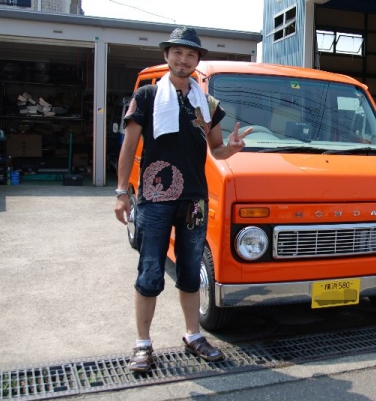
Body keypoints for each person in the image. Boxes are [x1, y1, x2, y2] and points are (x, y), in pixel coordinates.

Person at [114, 26, 252, 372]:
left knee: (191, 272)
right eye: (178, 52)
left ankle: (193, 335)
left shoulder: (206, 103)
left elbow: (217, 150)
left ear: (196, 61)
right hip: (154, 198)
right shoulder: (146, 97)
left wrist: (231, 149)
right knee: (149, 272)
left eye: (191, 54)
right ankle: (143, 344)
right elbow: (129, 147)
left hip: (193, 200)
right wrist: (121, 193)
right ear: (166, 56)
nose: (183, 59)